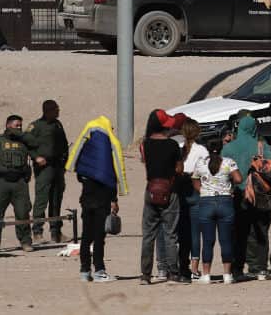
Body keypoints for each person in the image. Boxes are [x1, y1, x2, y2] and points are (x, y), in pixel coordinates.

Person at [66, 115, 128, 283]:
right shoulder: (108, 154)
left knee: (86, 235)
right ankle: (100, 270)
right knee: (99, 236)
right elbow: (111, 177)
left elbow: (80, 175)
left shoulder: (86, 154)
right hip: (102, 199)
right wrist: (114, 199)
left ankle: (85, 271)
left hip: (86, 197)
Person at [222, 114, 271, 281]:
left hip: (238, 196)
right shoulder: (261, 146)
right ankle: (259, 268)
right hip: (260, 195)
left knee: (240, 232)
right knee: (260, 231)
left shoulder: (229, 148)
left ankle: (238, 269)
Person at [0, 114, 40, 253]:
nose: (19, 128)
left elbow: (35, 148)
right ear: (8, 125)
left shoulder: (24, 141)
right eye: (16, 125)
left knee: (23, 213)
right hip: (1, 182)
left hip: (19, 183)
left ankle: (25, 242)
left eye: (20, 126)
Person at [139, 109, 184, 284]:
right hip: (169, 191)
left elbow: (146, 164)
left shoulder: (145, 144)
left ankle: (145, 275)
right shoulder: (172, 145)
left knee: (148, 235)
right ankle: (173, 272)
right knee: (170, 233)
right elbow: (179, 169)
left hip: (150, 190)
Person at [194, 138, 242, 284]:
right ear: (222, 148)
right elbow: (239, 179)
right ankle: (227, 274)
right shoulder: (228, 162)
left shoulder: (201, 162)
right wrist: (230, 185)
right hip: (225, 202)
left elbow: (195, 180)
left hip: (206, 202)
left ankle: (206, 274)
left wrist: (203, 190)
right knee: (226, 240)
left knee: (208, 241)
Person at [28, 100, 69, 244]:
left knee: (56, 199)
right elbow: (26, 145)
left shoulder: (58, 124)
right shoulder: (36, 126)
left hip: (57, 166)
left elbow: (64, 144)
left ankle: (56, 232)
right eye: (55, 110)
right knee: (42, 199)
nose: (58, 112)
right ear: (47, 111)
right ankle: (37, 232)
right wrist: (36, 157)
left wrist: (65, 163)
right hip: (44, 168)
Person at [177, 119, 209, 280]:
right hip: (196, 189)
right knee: (196, 232)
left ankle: (181, 264)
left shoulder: (179, 148)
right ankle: (195, 268)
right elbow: (207, 171)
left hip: (181, 190)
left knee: (182, 231)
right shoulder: (202, 150)